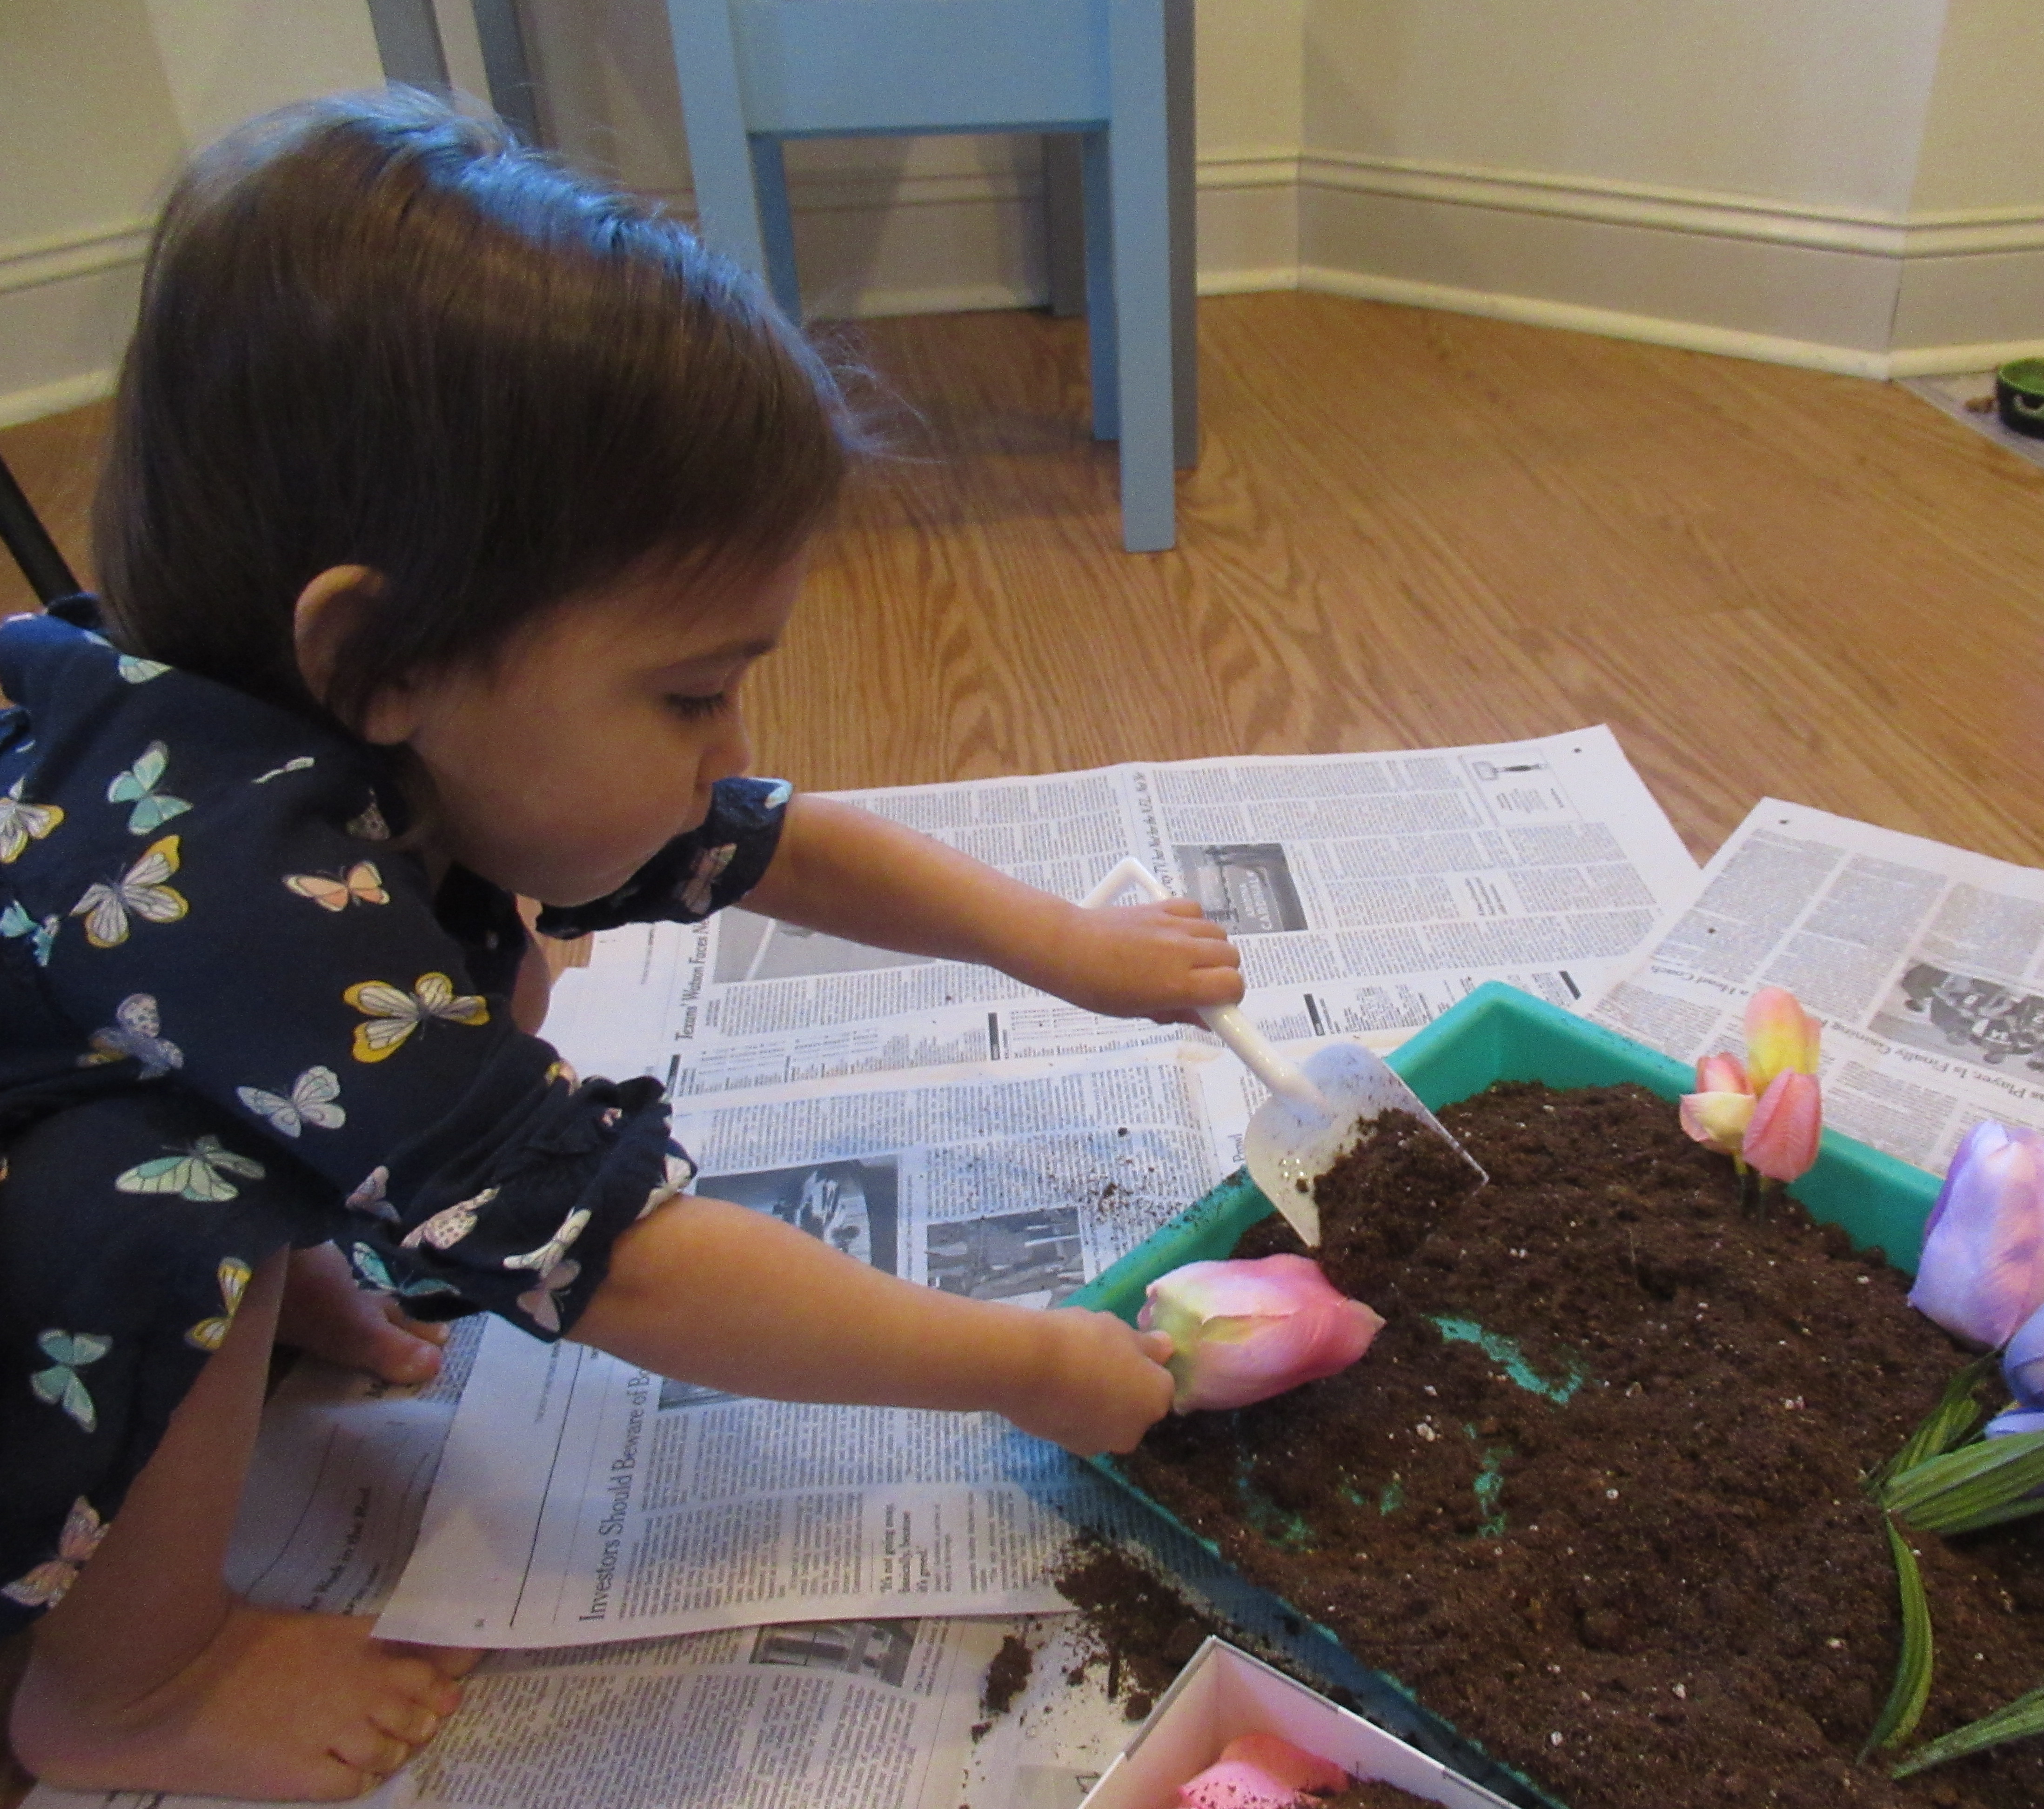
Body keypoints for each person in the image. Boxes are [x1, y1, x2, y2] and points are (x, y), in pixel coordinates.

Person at [0, 91, 1242, 1800]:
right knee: (151, 1196)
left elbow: (764, 839)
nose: (724, 747)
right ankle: (124, 1684)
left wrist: (1067, 946)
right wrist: (1016, 1363)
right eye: (686, 693)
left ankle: (274, 1291)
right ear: (378, 660)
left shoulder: (373, 739)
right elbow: (626, 1264)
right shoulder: (237, 882)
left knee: (335, 1045)